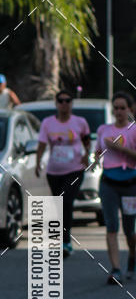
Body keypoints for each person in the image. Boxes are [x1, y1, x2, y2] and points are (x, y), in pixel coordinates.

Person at [36, 89, 91, 257]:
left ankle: (66, 242)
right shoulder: (47, 123)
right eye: (61, 100)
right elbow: (42, 144)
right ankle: (60, 240)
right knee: (58, 205)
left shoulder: (80, 122)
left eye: (68, 100)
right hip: (54, 171)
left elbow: (87, 141)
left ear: (72, 103)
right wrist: (38, 162)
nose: (64, 104)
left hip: (74, 169)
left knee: (67, 201)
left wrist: (86, 154)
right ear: (56, 103)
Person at [94, 91, 136, 285]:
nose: (119, 111)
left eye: (122, 108)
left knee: (130, 231)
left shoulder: (133, 129)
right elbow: (97, 151)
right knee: (111, 226)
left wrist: (120, 149)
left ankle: (132, 257)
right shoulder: (104, 129)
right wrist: (95, 160)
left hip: (130, 184)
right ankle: (116, 269)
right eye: (116, 107)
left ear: (129, 109)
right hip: (108, 182)